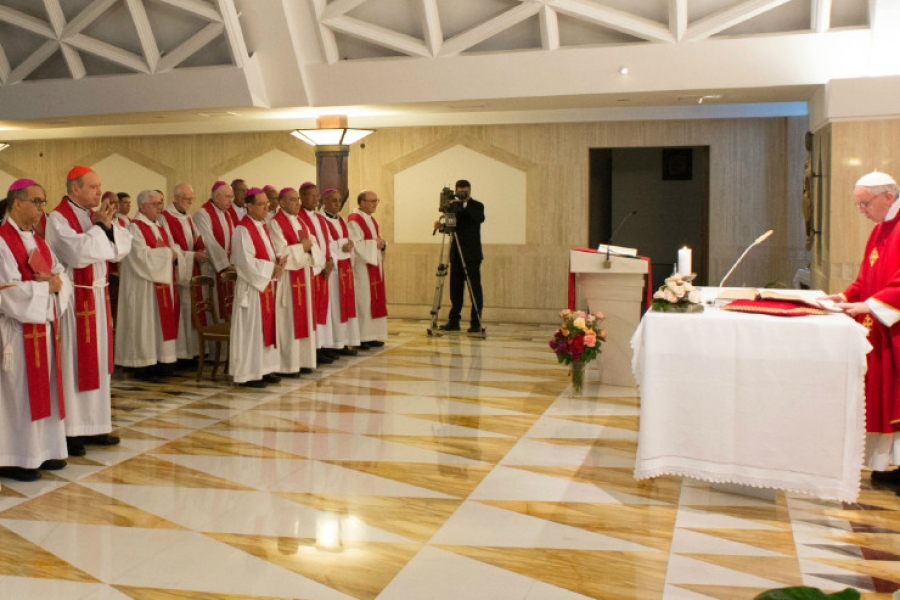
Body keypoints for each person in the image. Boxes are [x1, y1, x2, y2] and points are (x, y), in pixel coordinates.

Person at [46, 166, 132, 457]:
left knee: (98, 364)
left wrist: (105, 229)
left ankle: (97, 425)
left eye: (99, 186)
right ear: (74, 190)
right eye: (93, 187)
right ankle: (73, 431)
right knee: (75, 366)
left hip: (98, 296)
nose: (99, 191)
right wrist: (99, 230)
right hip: (76, 302)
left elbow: (121, 248)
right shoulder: (58, 218)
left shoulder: (96, 216)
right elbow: (76, 253)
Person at [821, 171, 900, 484]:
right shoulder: (881, 229)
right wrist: (843, 296)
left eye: (865, 204)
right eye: (859, 205)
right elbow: (867, 278)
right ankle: (892, 466)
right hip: (881, 327)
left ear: (888, 197)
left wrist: (872, 306)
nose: (862, 211)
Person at [0, 179, 72, 481]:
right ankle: (15, 457)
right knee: (18, 394)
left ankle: (44, 450)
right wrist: (47, 288)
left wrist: (55, 286)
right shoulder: (2, 241)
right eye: (37, 202)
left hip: (42, 328)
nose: (43, 208)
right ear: (17, 203)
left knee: (45, 389)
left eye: (43, 202)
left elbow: (60, 276)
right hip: (16, 330)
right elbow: (6, 292)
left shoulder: (38, 240)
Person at [115, 190, 180, 383]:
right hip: (141, 288)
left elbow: (173, 246)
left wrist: (171, 252)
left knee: (157, 325)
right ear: (143, 206)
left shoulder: (159, 226)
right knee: (144, 325)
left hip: (158, 284)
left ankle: (161, 361)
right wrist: (168, 254)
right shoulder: (134, 229)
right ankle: (142, 364)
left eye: (161, 203)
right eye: (156, 204)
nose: (160, 207)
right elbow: (140, 257)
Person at [230, 187, 285, 388]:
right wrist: (272, 268)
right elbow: (245, 263)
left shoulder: (261, 226)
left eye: (266, 204)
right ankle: (249, 374)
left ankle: (266, 368)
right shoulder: (243, 229)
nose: (266, 208)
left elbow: (267, 254)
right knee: (253, 332)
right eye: (261, 204)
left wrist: (277, 261)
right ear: (249, 206)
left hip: (265, 286)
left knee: (266, 330)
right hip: (252, 290)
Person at [268, 187, 322, 376]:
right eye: (293, 200)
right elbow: (280, 253)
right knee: (289, 320)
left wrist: (306, 250)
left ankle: (303, 361)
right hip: (287, 281)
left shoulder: (301, 222)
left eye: (298, 199)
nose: (297, 203)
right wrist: (303, 248)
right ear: (281, 203)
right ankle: (288, 365)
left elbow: (315, 248)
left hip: (303, 278)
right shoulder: (275, 223)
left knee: (303, 318)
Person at [160, 183, 207, 367]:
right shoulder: (166, 217)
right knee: (183, 312)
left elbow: (197, 237)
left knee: (192, 311)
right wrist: (191, 256)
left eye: (191, 199)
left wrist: (200, 249)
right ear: (177, 198)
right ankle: (183, 354)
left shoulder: (187, 216)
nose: (190, 202)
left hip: (191, 267)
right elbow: (171, 246)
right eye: (187, 199)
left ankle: (193, 351)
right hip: (180, 271)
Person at [296, 182, 336, 365]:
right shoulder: (298, 217)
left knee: (323, 309)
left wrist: (329, 262)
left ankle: (324, 345)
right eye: (311, 196)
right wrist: (318, 265)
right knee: (312, 310)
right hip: (310, 271)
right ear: (302, 196)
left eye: (316, 196)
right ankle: (315, 348)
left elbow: (327, 242)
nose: (315, 199)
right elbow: (306, 245)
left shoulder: (320, 219)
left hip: (323, 269)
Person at [439, 179, 485, 333]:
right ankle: (453, 321)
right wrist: (441, 225)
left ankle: (476, 322)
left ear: (470, 190)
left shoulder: (477, 205)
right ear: (457, 190)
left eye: (466, 191)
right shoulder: (453, 206)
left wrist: (465, 203)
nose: (463, 193)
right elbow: (451, 225)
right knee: (455, 289)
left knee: (474, 289)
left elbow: (479, 218)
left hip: (472, 254)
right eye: (461, 191)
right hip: (456, 253)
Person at [321, 188, 360, 356]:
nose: (338, 204)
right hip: (333, 272)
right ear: (325, 201)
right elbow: (324, 244)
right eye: (333, 201)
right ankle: (334, 343)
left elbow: (348, 240)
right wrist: (340, 247)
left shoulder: (342, 220)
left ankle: (344, 342)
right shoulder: (320, 220)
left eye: (339, 201)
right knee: (334, 308)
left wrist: (350, 244)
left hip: (345, 269)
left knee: (345, 306)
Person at [348, 189, 387, 349]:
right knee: (364, 301)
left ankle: (372, 335)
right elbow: (355, 245)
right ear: (362, 202)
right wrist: (374, 244)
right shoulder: (354, 220)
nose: (375, 204)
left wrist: (382, 243)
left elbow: (376, 239)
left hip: (373, 267)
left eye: (376, 201)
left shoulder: (370, 219)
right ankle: (362, 337)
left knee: (373, 301)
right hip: (362, 269)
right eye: (372, 201)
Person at [194, 181, 236, 321]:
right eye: (227, 197)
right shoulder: (203, 214)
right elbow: (209, 242)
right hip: (212, 269)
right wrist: (226, 265)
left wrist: (235, 262)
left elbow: (233, 241)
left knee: (227, 310)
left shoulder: (226, 214)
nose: (231, 200)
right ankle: (214, 342)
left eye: (232, 197)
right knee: (215, 311)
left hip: (227, 269)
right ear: (216, 197)